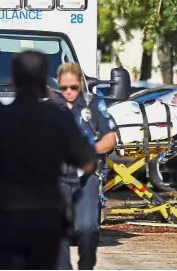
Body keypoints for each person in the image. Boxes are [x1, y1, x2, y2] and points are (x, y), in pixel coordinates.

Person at [0, 51, 97, 269]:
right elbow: (87, 161)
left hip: (3, 221)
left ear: (13, 78)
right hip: (45, 221)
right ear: (46, 78)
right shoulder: (58, 119)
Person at [54, 63, 117, 270]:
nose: (69, 92)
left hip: (86, 175)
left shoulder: (93, 104)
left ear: (81, 83)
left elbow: (110, 138)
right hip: (58, 177)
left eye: (73, 87)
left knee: (88, 228)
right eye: (64, 88)